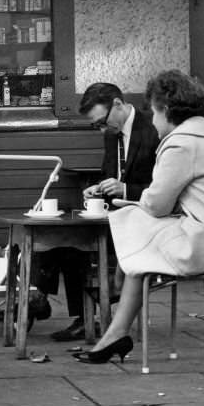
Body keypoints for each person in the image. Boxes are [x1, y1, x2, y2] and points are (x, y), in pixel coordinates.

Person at [75, 70, 204, 363]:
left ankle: (117, 309)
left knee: (134, 223)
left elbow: (157, 204)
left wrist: (132, 199)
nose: (152, 118)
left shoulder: (181, 142)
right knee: (138, 241)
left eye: (154, 110)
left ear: (166, 110)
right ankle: (115, 332)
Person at [36, 82, 160, 342]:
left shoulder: (154, 128)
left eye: (102, 121)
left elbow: (165, 186)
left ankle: (53, 305)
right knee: (62, 235)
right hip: (116, 215)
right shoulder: (110, 134)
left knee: (75, 247)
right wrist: (98, 188)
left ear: (117, 104)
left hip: (147, 217)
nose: (102, 129)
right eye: (96, 125)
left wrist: (126, 189)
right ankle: (41, 298)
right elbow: (109, 176)